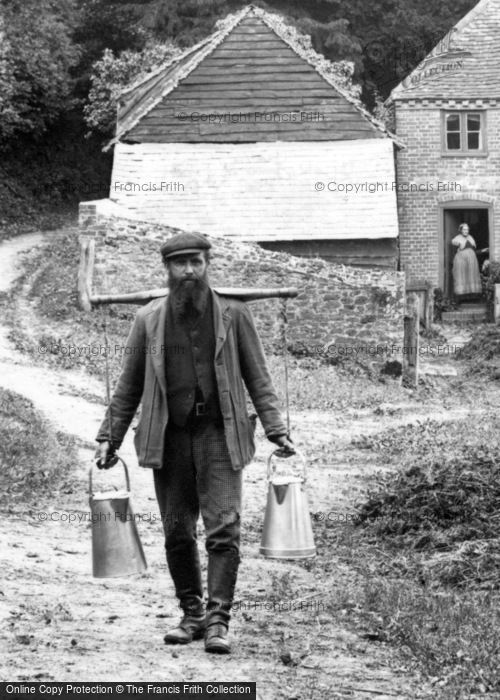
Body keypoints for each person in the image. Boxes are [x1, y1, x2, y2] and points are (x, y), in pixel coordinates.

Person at [95, 231, 294, 654]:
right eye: (180, 264)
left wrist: (277, 429)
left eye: (196, 263)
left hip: (221, 433)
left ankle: (219, 620)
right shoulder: (148, 319)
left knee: (224, 527)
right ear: (167, 270)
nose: (189, 271)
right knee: (177, 531)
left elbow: (258, 376)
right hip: (168, 436)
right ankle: (192, 614)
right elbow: (128, 386)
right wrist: (108, 437)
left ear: (207, 266)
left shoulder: (233, 315)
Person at [451, 223, 482, 298]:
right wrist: (458, 244)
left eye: (467, 229)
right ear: (461, 230)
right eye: (464, 229)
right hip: (461, 260)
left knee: (471, 275)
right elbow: (454, 245)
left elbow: (474, 250)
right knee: (462, 276)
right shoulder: (457, 238)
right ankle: (461, 296)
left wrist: (482, 251)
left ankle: (471, 297)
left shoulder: (471, 237)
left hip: (472, 261)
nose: (466, 231)